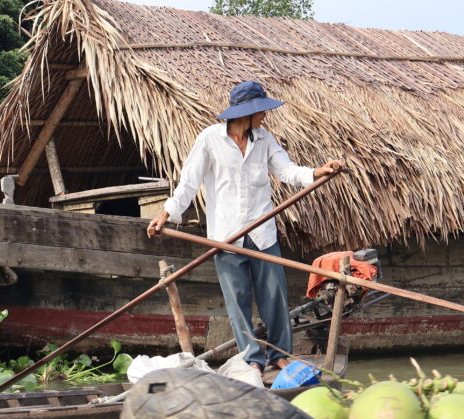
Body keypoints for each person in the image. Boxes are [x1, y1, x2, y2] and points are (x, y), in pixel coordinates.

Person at [146, 80, 343, 378]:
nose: (264, 116)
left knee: (274, 296)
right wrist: (166, 213)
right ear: (245, 114)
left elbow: (288, 171)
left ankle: (279, 356)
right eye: (260, 111)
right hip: (226, 236)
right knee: (237, 300)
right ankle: (253, 358)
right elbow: (189, 183)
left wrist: (317, 172)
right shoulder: (209, 140)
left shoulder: (264, 140)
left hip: (262, 233)